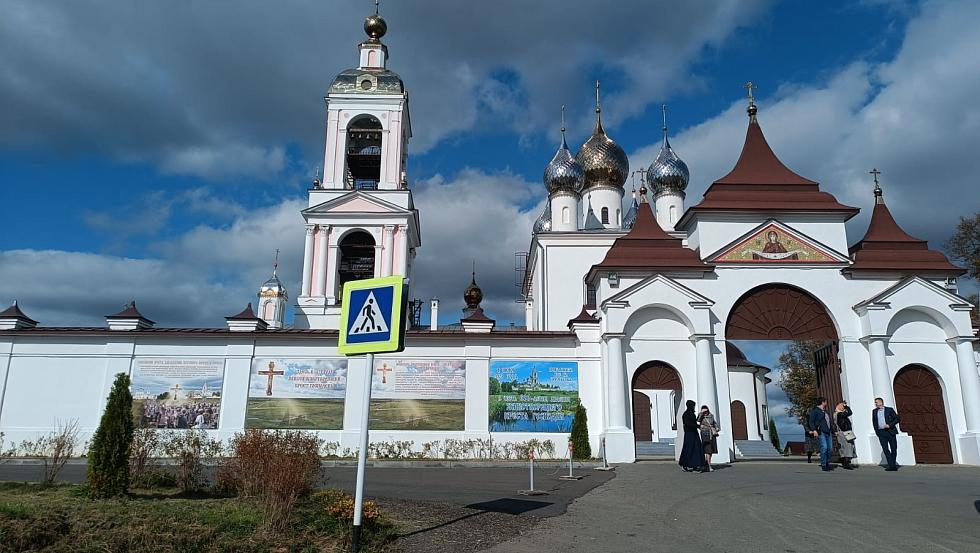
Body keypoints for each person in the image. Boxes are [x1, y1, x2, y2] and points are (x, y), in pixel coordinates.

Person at [872, 397, 901, 471]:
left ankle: (892, 465)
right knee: (885, 449)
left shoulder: (889, 410)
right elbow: (874, 422)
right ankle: (891, 465)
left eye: (876, 402)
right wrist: (877, 432)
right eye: (875, 402)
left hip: (890, 431)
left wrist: (890, 425)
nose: (875, 403)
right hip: (881, 433)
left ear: (881, 402)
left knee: (893, 448)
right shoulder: (874, 411)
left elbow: (897, 419)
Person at [678, 400, 706, 472]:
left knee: (696, 449)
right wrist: (698, 426)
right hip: (689, 433)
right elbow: (688, 423)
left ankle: (695, 465)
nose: (694, 407)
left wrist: (699, 417)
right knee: (689, 449)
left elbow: (692, 421)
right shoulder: (686, 414)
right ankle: (686, 464)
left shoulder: (691, 414)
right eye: (693, 406)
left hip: (694, 433)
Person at [808, 397, 834, 471]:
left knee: (830, 449)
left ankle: (827, 462)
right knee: (824, 447)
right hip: (821, 432)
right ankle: (824, 464)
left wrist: (833, 430)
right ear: (823, 402)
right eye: (825, 402)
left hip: (828, 432)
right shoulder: (815, 411)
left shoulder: (826, 412)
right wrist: (814, 430)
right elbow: (811, 422)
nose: (826, 403)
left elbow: (829, 422)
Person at [697, 405, 720, 471]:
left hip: (712, 434)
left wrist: (717, 428)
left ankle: (707, 464)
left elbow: (714, 423)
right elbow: (698, 420)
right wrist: (701, 413)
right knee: (707, 450)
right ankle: (708, 465)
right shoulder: (701, 415)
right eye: (704, 409)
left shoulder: (711, 415)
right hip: (705, 433)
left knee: (710, 451)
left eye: (706, 409)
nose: (705, 411)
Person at [835, 401, 856, 469]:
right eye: (842, 406)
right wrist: (847, 407)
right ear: (838, 406)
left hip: (844, 432)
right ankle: (846, 463)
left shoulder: (837, 414)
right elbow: (850, 412)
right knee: (848, 446)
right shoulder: (839, 414)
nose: (843, 407)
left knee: (845, 447)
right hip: (845, 432)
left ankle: (845, 462)